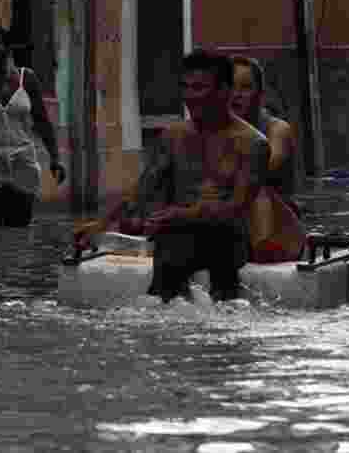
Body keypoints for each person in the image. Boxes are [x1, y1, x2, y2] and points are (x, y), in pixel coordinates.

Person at [76, 50, 269, 302]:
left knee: (220, 251)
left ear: (224, 91)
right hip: (178, 236)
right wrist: (101, 225)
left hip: (228, 239)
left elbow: (237, 208)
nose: (190, 96)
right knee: (170, 249)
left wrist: (182, 213)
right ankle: (163, 314)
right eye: (185, 87)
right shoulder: (172, 136)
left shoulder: (254, 144)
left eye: (199, 87)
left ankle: (224, 312)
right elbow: (141, 190)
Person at [0, 27, 66, 228]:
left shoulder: (28, 79)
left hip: (22, 166)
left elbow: (42, 121)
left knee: (18, 235)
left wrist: (55, 159)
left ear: (7, 48)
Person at [230, 55, 305, 263]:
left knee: (254, 187)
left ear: (260, 96)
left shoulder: (277, 129)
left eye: (245, 88)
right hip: (234, 229)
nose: (236, 95)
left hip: (280, 233)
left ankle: (259, 249)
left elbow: (266, 165)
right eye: (230, 87)